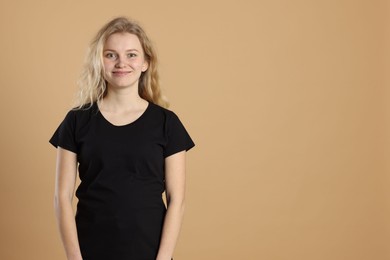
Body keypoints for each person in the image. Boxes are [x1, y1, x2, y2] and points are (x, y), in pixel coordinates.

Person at [49, 17, 195, 260]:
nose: (121, 63)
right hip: (90, 249)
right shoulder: (76, 121)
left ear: (146, 63)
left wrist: (163, 258)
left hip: (150, 250)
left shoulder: (167, 123)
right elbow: (61, 198)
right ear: (99, 61)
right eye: (111, 55)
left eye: (131, 55)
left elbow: (176, 200)